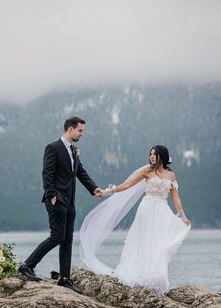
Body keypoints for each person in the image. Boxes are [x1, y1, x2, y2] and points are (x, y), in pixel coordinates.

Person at [80, 145, 191, 294]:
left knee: (158, 243)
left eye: (154, 154)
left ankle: (156, 277)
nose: (151, 157)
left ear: (162, 156)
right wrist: (108, 191)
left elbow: (175, 198)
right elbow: (127, 185)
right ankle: (139, 274)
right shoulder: (146, 172)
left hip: (162, 211)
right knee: (143, 241)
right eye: (150, 154)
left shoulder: (171, 175)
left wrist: (183, 217)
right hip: (146, 210)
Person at [18, 116, 102, 293]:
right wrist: (52, 195)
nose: (82, 134)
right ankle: (27, 265)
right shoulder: (53, 147)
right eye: (80, 130)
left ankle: (64, 278)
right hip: (56, 200)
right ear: (70, 129)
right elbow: (46, 173)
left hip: (70, 201)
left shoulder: (75, 151)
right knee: (57, 236)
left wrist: (94, 189)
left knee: (67, 240)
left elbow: (80, 172)